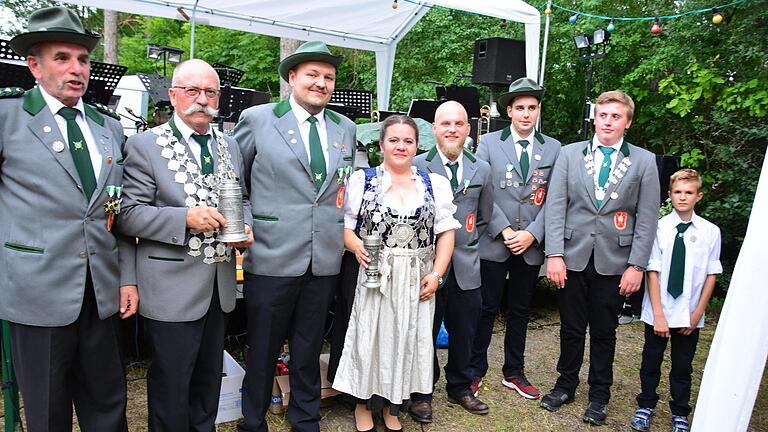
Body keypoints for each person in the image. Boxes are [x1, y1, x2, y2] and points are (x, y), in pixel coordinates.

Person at [0, 6, 138, 431]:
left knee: (107, 405)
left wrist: (126, 276)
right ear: (34, 65)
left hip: (100, 292)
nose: (76, 69)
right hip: (36, 291)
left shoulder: (108, 127)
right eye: (62, 58)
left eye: (83, 59)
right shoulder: (7, 119)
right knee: (46, 410)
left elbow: (118, 211)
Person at [118, 59, 253, 431]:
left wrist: (247, 226)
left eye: (210, 92)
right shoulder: (145, 145)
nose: (202, 100)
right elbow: (127, 214)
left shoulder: (230, 145)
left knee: (209, 382)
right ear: (174, 95)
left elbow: (242, 200)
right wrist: (183, 218)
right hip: (169, 287)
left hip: (219, 287)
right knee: (172, 386)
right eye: (192, 91)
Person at [233, 40, 357, 432]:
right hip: (271, 253)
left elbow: (342, 190)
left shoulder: (345, 128)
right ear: (292, 78)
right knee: (264, 349)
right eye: (312, 75)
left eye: (328, 77)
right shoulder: (258, 119)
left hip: (324, 258)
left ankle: (305, 417)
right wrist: (246, 222)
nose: (321, 83)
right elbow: (236, 184)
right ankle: (252, 421)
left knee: (307, 347)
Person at [332, 115, 457, 432]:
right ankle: (362, 404)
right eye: (394, 140)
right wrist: (356, 244)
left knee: (406, 338)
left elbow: (446, 232)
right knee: (369, 338)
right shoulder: (364, 180)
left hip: (416, 274)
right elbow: (344, 226)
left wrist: (438, 273)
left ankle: (392, 406)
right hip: (372, 272)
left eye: (408, 141)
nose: (401, 146)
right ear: (382, 144)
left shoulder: (434, 183)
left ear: (417, 145)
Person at [542, 90, 660, 425]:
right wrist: (554, 254)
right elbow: (556, 207)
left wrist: (637, 265)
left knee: (605, 331)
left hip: (615, 261)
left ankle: (599, 396)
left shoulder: (644, 161)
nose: (608, 121)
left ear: (628, 122)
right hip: (572, 257)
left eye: (616, 116)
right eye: (603, 115)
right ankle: (565, 385)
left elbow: (647, 217)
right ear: (595, 117)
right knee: (571, 328)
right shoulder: (569, 154)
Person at [470, 77, 562, 401]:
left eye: (532, 108)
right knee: (486, 306)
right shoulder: (489, 143)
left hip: (530, 243)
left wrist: (532, 233)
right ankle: (474, 369)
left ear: (538, 111)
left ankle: (514, 372)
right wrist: (506, 230)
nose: (526, 114)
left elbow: (555, 197)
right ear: (508, 110)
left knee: (520, 310)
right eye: (519, 107)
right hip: (497, 239)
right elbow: (481, 189)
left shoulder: (554, 148)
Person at [408, 101, 493, 422]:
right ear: (434, 128)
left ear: (468, 129)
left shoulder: (481, 169)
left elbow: (484, 217)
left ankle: (460, 387)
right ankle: (422, 392)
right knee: (425, 331)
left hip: (467, 266)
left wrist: (468, 246)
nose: (452, 130)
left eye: (458, 124)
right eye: (446, 124)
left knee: (465, 331)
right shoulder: (417, 165)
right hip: (429, 268)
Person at [629, 168, 721, 432]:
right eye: (678, 192)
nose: (683, 197)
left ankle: (680, 412)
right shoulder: (659, 228)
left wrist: (696, 314)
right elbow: (652, 270)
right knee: (651, 361)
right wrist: (658, 313)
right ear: (669, 195)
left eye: (689, 193)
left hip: (690, 312)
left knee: (683, 365)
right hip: (659, 309)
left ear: (698, 196)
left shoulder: (710, 232)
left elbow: (711, 275)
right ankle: (645, 405)